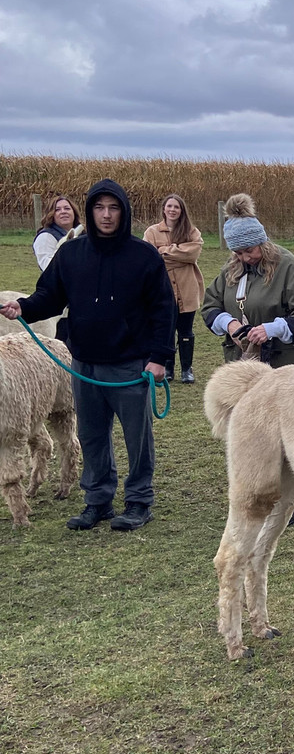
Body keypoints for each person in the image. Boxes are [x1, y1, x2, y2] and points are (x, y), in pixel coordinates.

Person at [1, 179, 175, 531]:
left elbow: (163, 309)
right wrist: (23, 307)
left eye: (114, 208)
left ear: (123, 212)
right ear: (90, 211)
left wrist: (160, 357)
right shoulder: (71, 254)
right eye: (99, 208)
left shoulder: (143, 256)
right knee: (93, 437)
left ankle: (139, 501)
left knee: (137, 438)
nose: (107, 215)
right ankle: (97, 501)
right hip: (85, 365)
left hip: (130, 365)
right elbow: (49, 296)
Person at [201, 192, 294, 525]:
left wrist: (272, 328)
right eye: (237, 252)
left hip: (284, 367)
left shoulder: (287, 266)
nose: (244, 257)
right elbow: (210, 307)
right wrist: (229, 323)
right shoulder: (232, 270)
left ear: (262, 243)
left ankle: (286, 503)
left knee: (283, 436)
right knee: (251, 433)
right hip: (244, 368)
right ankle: (254, 495)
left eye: (249, 250)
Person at [143, 194, 204, 383]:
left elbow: (192, 254)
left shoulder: (191, 232)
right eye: (169, 206)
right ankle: (168, 368)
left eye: (176, 207)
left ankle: (187, 369)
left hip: (187, 287)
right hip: (163, 288)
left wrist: (165, 250)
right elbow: (149, 255)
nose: (172, 210)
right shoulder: (152, 232)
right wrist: (178, 251)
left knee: (185, 330)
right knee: (166, 329)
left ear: (181, 210)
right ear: (164, 209)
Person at [32, 195, 82, 341]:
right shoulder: (46, 237)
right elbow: (48, 267)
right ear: (51, 215)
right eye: (57, 209)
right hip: (60, 309)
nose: (63, 212)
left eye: (67, 208)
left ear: (74, 212)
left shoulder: (82, 235)